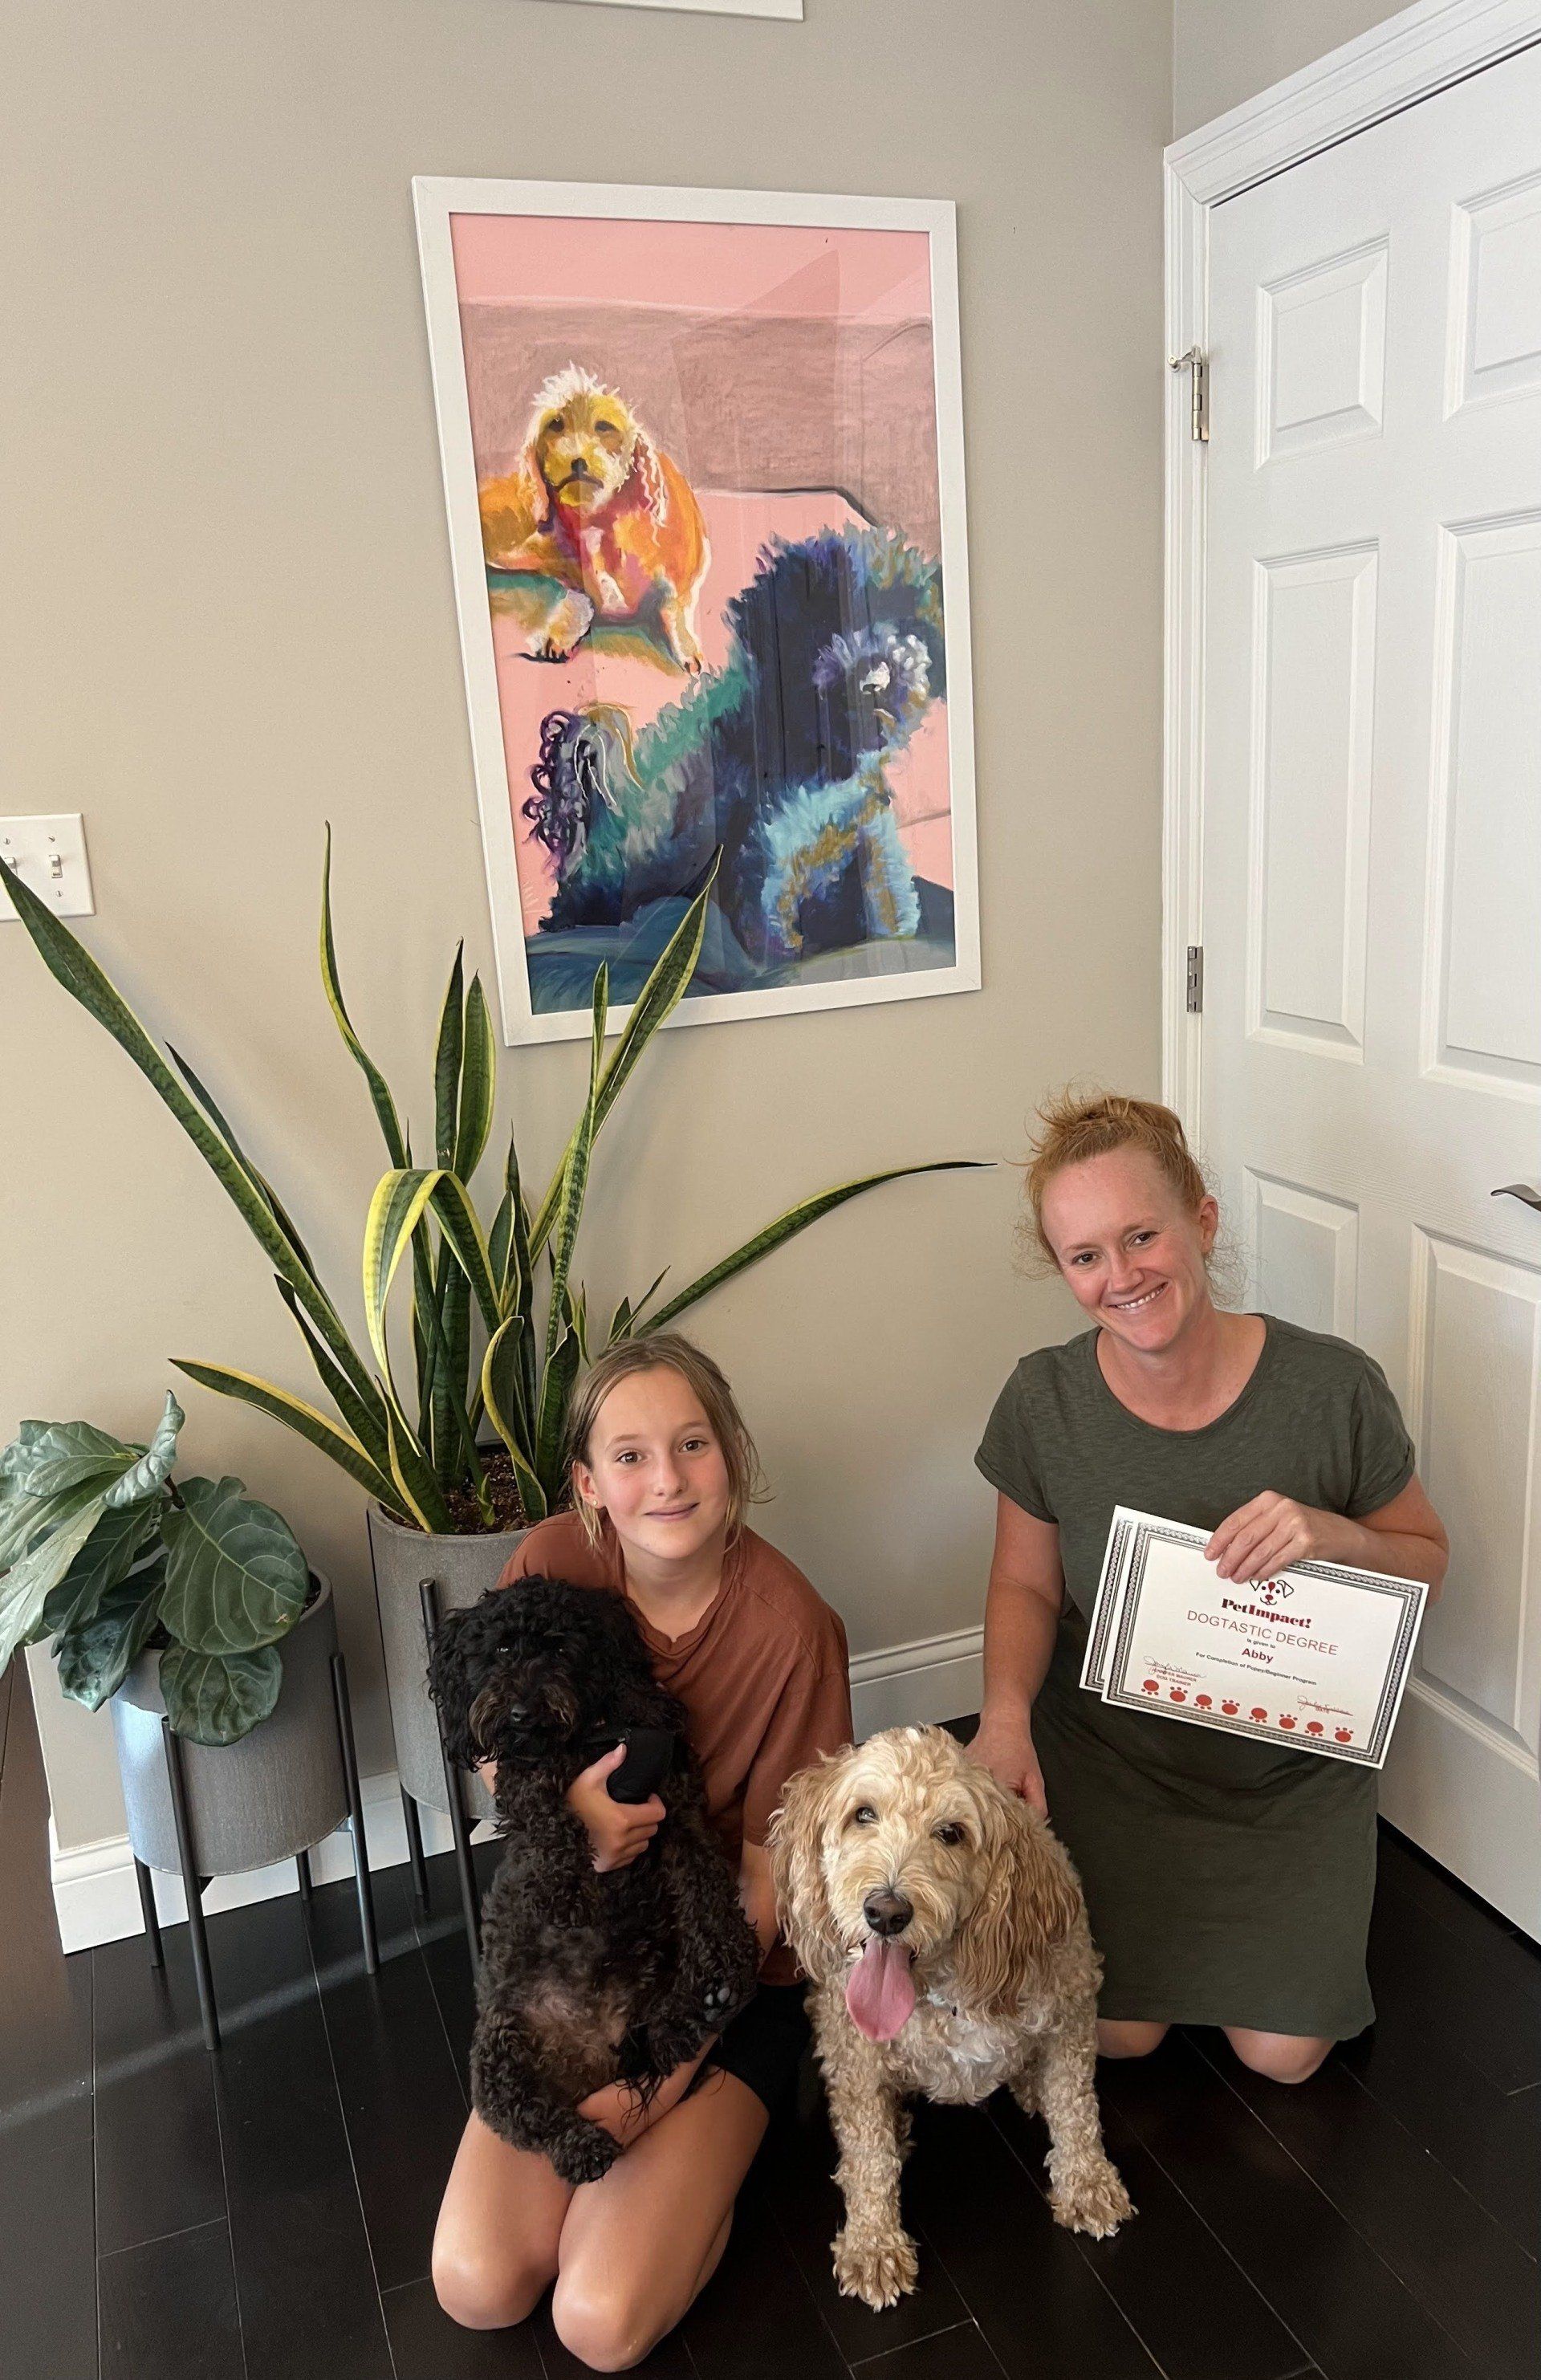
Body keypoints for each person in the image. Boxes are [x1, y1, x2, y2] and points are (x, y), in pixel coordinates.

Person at [970, 1090, 1449, 2085]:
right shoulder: (1042, 1399)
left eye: (1142, 1235)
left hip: (1290, 1769)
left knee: (1285, 2058)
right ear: (1061, 1268)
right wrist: (1004, 1720)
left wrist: (1341, 1535)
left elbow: (1427, 1560)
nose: (1122, 1276)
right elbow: (1023, 1583)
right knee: (1119, 2033)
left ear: (1204, 1220)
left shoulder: (1334, 1388)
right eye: (1085, 1255)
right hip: (1115, 1756)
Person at [432, 1331, 851, 2367]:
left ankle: (716, 2167)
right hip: (576, 1971)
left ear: (732, 1454)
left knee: (599, 2320)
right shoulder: (549, 1564)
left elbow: (771, 1884)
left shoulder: (795, 1628)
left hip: (716, 1985)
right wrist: (570, 1813)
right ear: (588, 1481)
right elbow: (494, 1752)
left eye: (693, 1444)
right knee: (477, 2284)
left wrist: (652, 2090)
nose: (666, 1479)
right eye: (629, 1455)